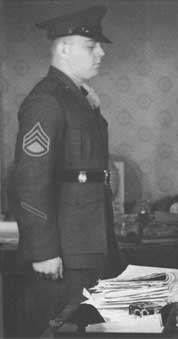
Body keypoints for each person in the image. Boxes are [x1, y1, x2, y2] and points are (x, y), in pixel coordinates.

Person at [12, 6, 122, 337]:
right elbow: (30, 180)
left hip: (89, 241)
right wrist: (43, 251)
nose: (100, 52)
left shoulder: (79, 98)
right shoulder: (46, 101)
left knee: (89, 329)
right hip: (65, 248)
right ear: (63, 49)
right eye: (90, 46)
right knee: (60, 328)